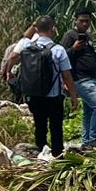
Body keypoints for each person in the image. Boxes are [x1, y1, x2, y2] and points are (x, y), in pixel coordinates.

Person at [11, 16, 79, 156]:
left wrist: (8, 73)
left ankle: (40, 153)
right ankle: (57, 155)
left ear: (36, 29)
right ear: (52, 30)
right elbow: (67, 76)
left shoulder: (26, 46)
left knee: (40, 127)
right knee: (56, 128)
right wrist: (73, 95)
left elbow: (12, 56)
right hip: (53, 96)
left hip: (34, 95)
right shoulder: (58, 50)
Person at [60, 9, 96, 149]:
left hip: (92, 77)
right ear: (75, 20)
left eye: (87, 21)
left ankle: (86, 141)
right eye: (82, 21)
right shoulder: (70, 35)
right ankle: (94, 139)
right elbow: (60, 55)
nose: (85, 23)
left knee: (89, 110)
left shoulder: (88, 36)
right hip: (80, 79)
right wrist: (73, 48)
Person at [0, 24, 38, 104]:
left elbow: (8, 59)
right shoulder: (38, 42)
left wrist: (5, 72)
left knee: (19, 96)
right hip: (27, 76)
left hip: (18, 75)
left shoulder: (16, 46)